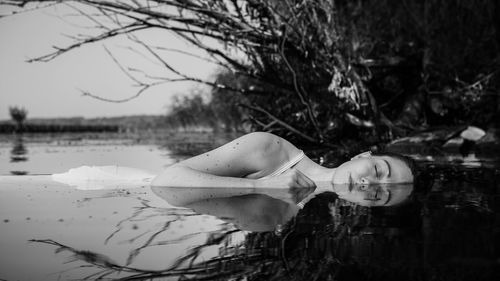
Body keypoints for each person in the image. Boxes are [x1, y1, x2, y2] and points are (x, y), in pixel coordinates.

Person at [151, 132, 415, 207]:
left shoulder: (304, 224)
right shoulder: (269, 149)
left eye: (381, 195)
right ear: (362, 155)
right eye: (379, 172)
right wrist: (260, 186)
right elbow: (166, 179)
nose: (369, 184)